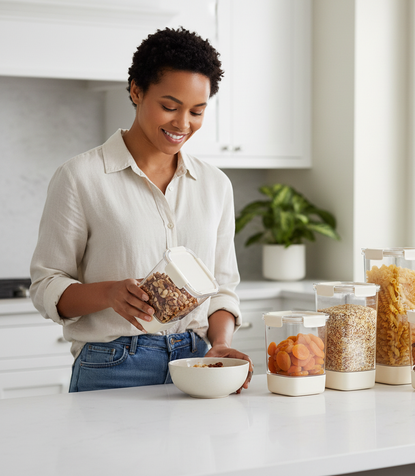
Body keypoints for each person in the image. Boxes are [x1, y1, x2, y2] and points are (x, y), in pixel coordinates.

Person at [30, 27, 252, 393]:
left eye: (197, 111)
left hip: (196, 362)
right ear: (136, 90)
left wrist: (221, 344)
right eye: (169, 106)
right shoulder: (81, 177)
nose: (183, 124)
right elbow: (46, 285)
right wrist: (109, 294)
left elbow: (223, 289)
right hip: (113, 364)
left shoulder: (215, 185)